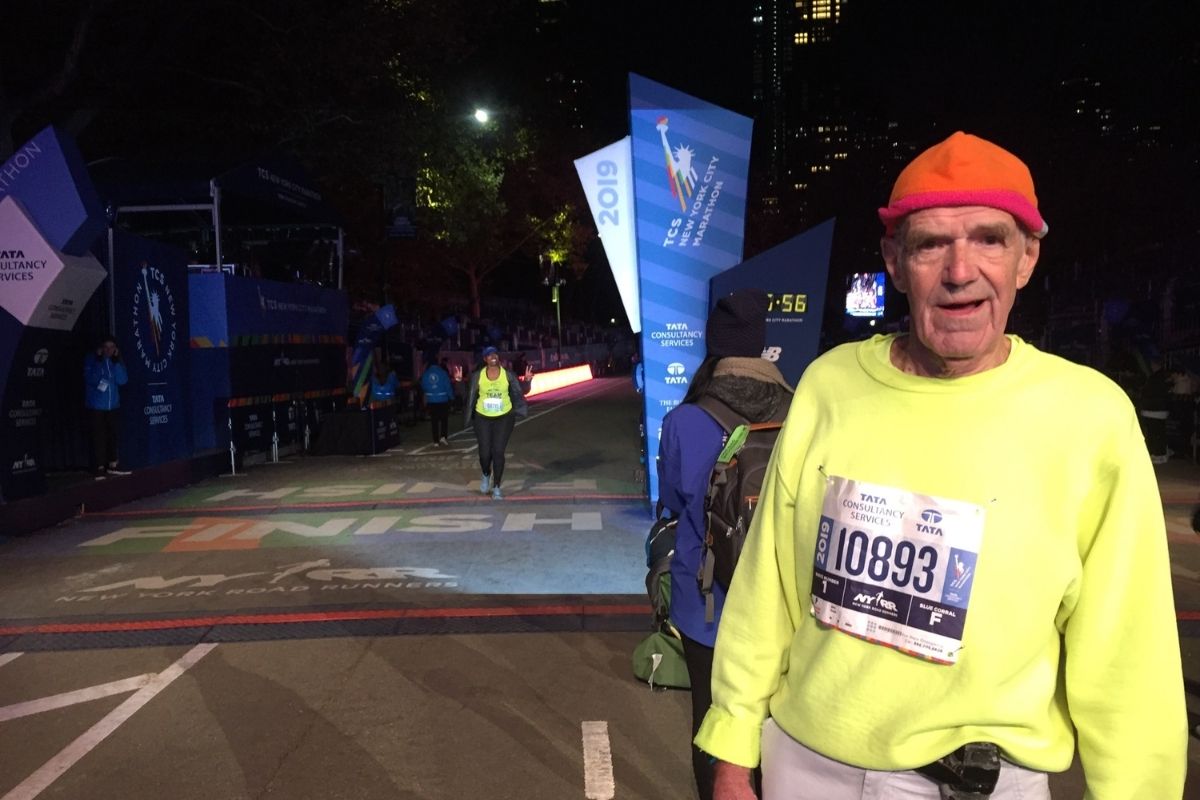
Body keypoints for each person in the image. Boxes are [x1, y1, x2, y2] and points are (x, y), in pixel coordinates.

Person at [696, 132, 1187, 800]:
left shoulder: (1090, 418)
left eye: (989, 239)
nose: (961, 271)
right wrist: (731, 747)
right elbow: (767, 587)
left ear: (1027, 258)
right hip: (808, 768)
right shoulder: (829, 385)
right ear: (895, 263)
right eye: (931, 244)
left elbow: (1128, 651)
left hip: (988, 781)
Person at [657, 288, 792, 800]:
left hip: (707, 603)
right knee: (775, 731)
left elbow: (673, 499)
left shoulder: (685, 420)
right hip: (780, 608)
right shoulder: (800, 410)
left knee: (712, 726)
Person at [464, 346, 527, 499]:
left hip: (504, 417)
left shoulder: (508, 375)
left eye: (495, 354)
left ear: (498, 358)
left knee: (498, 452)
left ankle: (497, 487)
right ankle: (486, 473)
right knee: (485, 454)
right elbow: (467, 394)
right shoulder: (477, 376)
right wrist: (460, 382)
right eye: (489, 355)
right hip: (482, 417)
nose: (493, 356)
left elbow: (521, 392)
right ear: (485, 359)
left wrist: (528, 381)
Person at [83, 335, 130, 478]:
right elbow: (89, 378)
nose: (109, 350)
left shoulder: (115, 362)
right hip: (97, 406)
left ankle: (113, 464)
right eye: (106, 347)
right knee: (98, 436)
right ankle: (99, 466)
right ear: (101, 348)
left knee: (112, 435)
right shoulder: (92, 359)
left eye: (112, 347)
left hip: (113, 406)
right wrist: (98, 361)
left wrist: (115, 362)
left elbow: (123, 380)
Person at [420, 357, 454, 446]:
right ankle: (443, 437)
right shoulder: (443, 373)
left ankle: (435, 441)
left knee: (434, 421)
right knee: (444, 420)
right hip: (443, 399)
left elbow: (423, 386)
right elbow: (448, 386)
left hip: (431, 400)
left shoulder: (425, 374)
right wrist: (451, 397)